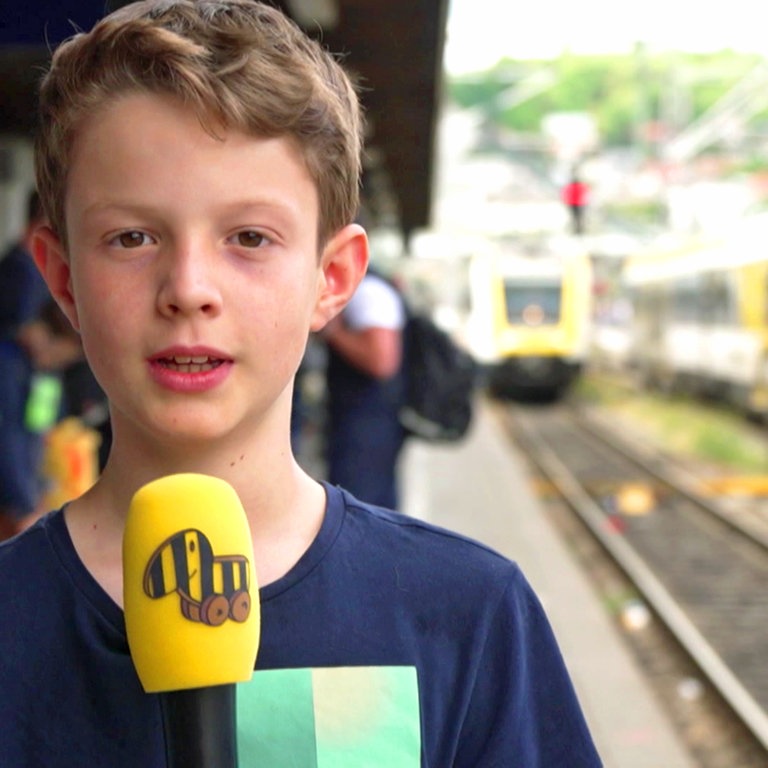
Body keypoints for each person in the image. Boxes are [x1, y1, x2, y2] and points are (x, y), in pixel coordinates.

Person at [0, 2, 602, 765]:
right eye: (132, 238)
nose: (189, 288)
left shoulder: (467, 614)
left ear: (333, 278)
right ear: (61, 277)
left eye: (249, 238)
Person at [0, 191, 74, 540]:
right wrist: (23, 504)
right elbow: (8, 436)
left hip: (27, 497)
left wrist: (41, 490)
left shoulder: (47, 374)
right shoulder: (10, 362)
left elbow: (41, 429)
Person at [322, 266, 407, 508]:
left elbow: (382, 361)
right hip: (370, 420)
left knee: (359, 508)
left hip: (366, 424)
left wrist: (334, 333)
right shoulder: (374, 287)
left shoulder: (367, 292)